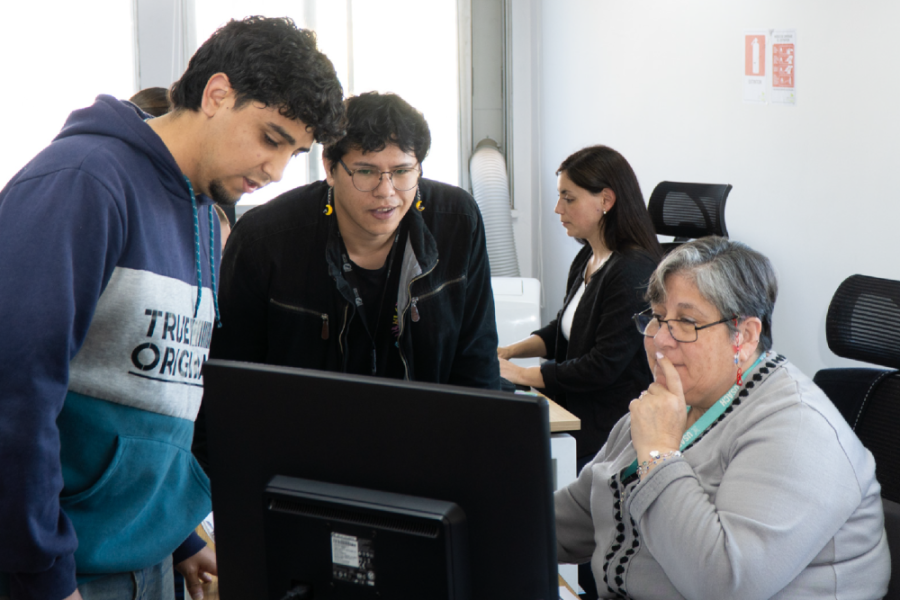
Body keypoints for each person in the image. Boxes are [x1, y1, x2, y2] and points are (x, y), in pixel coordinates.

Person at [0, 16, 344, 600]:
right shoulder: (84, 182)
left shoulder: (206, 211)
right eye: (271, 137)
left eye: (295, 152)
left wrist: (181, 534)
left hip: (149, 559)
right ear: (217, 94)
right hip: (64, 569)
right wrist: (44, 578)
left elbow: (149, 389)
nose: (276, 170)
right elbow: (15, 395)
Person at [555, 236, 890, 599]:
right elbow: (582, 510)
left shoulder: (799, 431)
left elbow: (725, 583)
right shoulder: (674, 403)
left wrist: (657, 456)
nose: (661, 340)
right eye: (656, 316)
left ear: (744, 336)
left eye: (685, 321)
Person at [207, 91, 499, 388]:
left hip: (426, 428)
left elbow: (477, 360)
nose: (386, 192)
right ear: (330, 168)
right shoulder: (263, 240)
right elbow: (232, 377)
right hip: (304, 431)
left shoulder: (458, 221)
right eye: (365, 172)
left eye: (401, 172)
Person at [497, 145, 662, 464]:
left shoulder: (633, 270)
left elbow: (602, 366)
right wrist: (507, 353)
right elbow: (562, 332)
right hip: (576, 408)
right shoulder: (588, 256)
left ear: (606, 200)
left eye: (568, 198)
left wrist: (521, 374)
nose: (558, 208)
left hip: (609, 430)